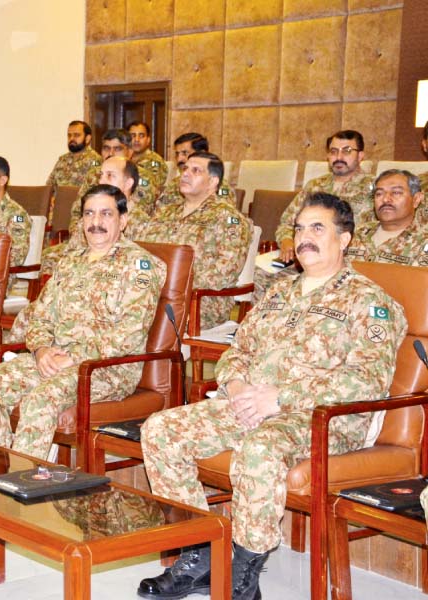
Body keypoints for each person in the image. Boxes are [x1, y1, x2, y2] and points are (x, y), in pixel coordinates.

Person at [137, 192, 406, 600]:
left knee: (260, 448)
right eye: (299, 229)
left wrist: (278, 399)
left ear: (345, 239)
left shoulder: (369, 302)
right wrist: (238, 388)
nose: (304, 237)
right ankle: (199, 554)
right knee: (161, 428)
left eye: (318, 228)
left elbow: (367, 379)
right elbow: (238, 350)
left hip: (321, 419)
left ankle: (244, 574)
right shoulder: (277, 294)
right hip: (248, 404)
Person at [0, 183, 164, 461]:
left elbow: (129, 334)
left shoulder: (141, 266)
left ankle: (21, 483)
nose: (96, 222)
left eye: (106, 214)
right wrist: (40, 350)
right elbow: (41, 314)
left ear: (123, 220)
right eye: (89, 214)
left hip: (104, 369)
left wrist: (72, 357)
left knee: (41, 398)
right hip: (53, 360)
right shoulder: (69, 262)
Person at [143, 152, 251, 330]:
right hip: (154, 293)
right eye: (185, 168)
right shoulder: (165, 213)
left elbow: (225, 272)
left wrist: (172, 281)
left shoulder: (227, 218)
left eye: (196, 171)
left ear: (213, 181)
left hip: (200, 301)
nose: (185, 174)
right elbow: (144, 250)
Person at [274, 130, 374, 265]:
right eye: (333, 151)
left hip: (350, 261)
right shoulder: (315, 186)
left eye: (346, 151)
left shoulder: (375, 188)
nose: (339, 157)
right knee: (258, 276)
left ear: (360, 156)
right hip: (307, 257)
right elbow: (287, 222)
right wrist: (287, 241)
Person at [347, 169, 428, 266]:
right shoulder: (356, 233)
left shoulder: (423, 240)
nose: (385, 199)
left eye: (396, 193)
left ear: (416, 199)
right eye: (379, 194)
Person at [156, 132, 235, 208]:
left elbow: (223, 215)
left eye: (185, 153)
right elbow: (160, 210)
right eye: (177, 154)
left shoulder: (217, 186)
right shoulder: (175, 183)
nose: (179, 159)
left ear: (202, 153)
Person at [45, 120, 102, 193]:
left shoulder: (95, 160)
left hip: (80, 203)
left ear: (87, 138)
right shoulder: (62, 159)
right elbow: (49, 185)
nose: (71, 139)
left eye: (76, 135)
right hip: (59, 203)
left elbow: (93, 188)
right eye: (69, 135)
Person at [128, 120, 168, 189]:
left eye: (141, 136)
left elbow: (154, 188)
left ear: (148, 140)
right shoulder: (122, 158)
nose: (137, 139)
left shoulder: (155, 161)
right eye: (133, 135)